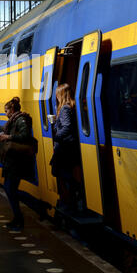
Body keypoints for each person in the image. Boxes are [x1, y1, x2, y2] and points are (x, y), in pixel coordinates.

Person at [0, 97, 34, 231]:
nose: (5, 113)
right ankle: (17, 218)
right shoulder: (13, 121)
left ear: (12, 109)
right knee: (9, 188)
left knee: (10, 189)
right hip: (11, 160)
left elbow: (25, 136)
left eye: (6, 110)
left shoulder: (21, 119)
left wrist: (8, 137)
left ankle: (21, 217)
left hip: (17, 161)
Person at [49, 83, 81, 212]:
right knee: (64, 173)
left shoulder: (65, 109)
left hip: (64, 148)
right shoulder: (72, 107)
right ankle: (73, 198)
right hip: (70, 147)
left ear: (61, 94)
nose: (56, 96)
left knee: (61, 173)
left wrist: (56, 137)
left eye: (57, 94)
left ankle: (72, 199)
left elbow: (67, 127)